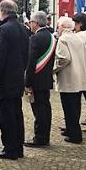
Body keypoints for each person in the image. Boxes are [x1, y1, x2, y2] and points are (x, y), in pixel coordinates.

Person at [0, 0, 29, 160]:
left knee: (6, 116)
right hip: (18, 76)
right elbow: (27, 54)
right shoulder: (23, 28)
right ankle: (18, 147)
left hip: (6, 79)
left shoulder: (4, 29)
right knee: (16, 113)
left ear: (2, 11)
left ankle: (9, 148)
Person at [53, 16, 86, 144]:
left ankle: (74, 134)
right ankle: (71, 129)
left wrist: (54, 69)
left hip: (68, 78)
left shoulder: (63, 39)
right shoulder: (77, 37)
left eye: (58, 26)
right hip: (79, 77)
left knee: (68, 107)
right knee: (75, 106)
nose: (57, 28)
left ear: (62, 27)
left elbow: (64, 58)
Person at [24, 11, 56, 147]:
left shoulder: (35, 38)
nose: (30, 24)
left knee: (39, 111)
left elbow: (31, 62)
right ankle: (45, 136)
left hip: (36, 80)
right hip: (46, 78)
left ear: (36, 23)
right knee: (45, 109)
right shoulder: (51, 36)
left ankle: (40, 138)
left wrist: (27, 82)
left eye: (31, 22)